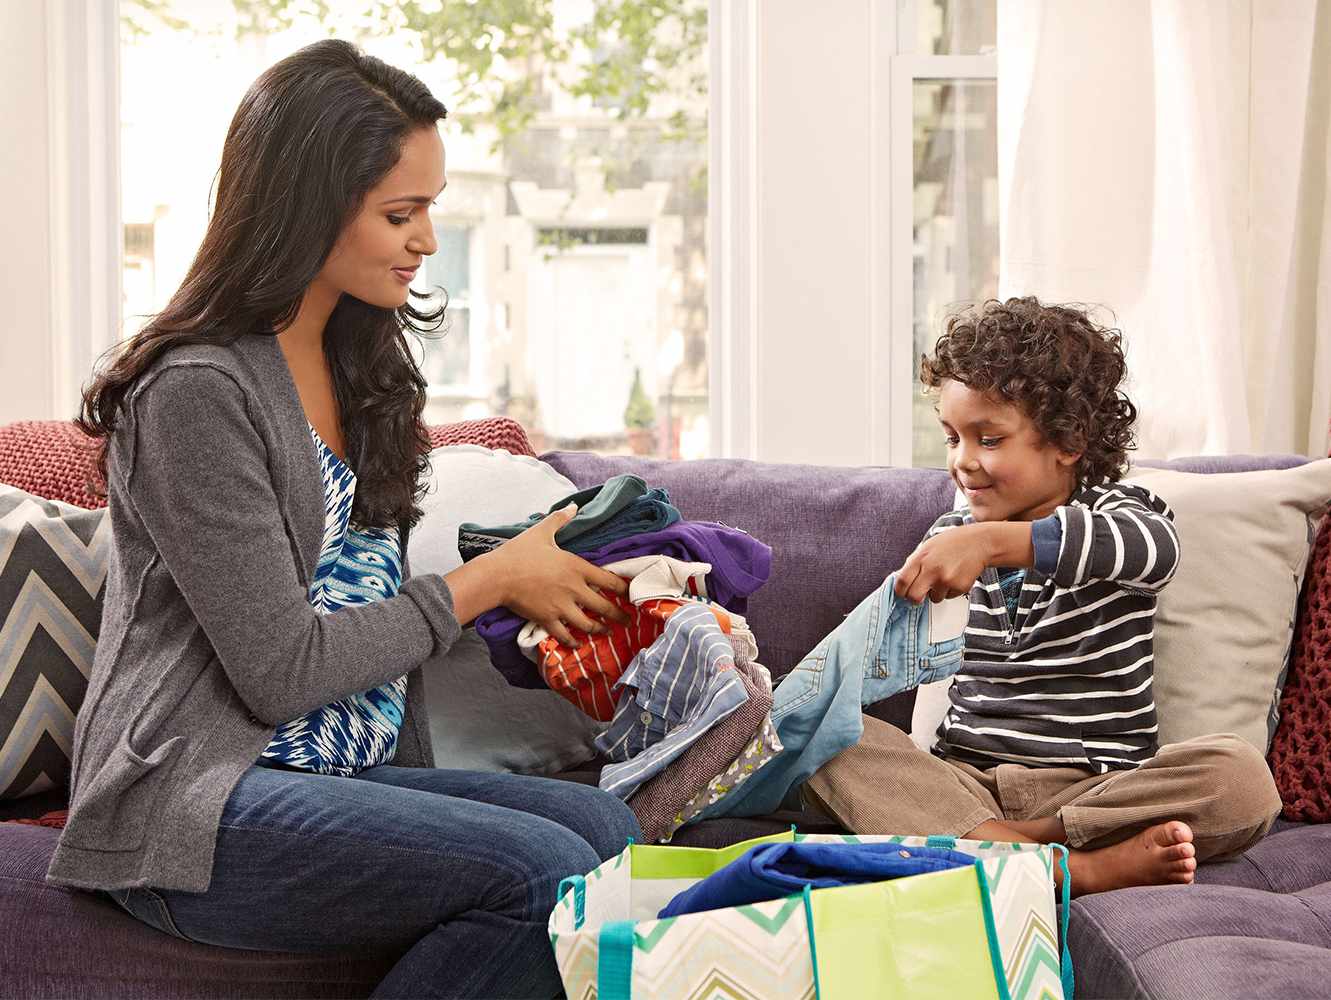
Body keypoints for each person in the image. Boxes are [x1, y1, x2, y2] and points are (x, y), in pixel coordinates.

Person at [46, 39, 641, 999]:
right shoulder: (197, 392)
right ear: (306, 212)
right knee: (548, 870)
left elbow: (360, 603)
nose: (426, 241)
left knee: (610, 837)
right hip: (197, 799)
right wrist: (487, 580)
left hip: (333, 782)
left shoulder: (361, 369)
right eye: (399, 214)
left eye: (430, 210)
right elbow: (281, 671)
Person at [803, 296, 1282, 896]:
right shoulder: (950, 536)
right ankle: (1065, 865)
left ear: (1069, 441)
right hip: (965, 778)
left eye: (989, 439)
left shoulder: (1119, 514)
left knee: (1240, 777)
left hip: (1091, 786)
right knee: (834, 741)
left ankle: (1007, 844)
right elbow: (886, 649)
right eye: (953, 437)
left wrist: (991, 543)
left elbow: (1151, 550)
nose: (962, 461)